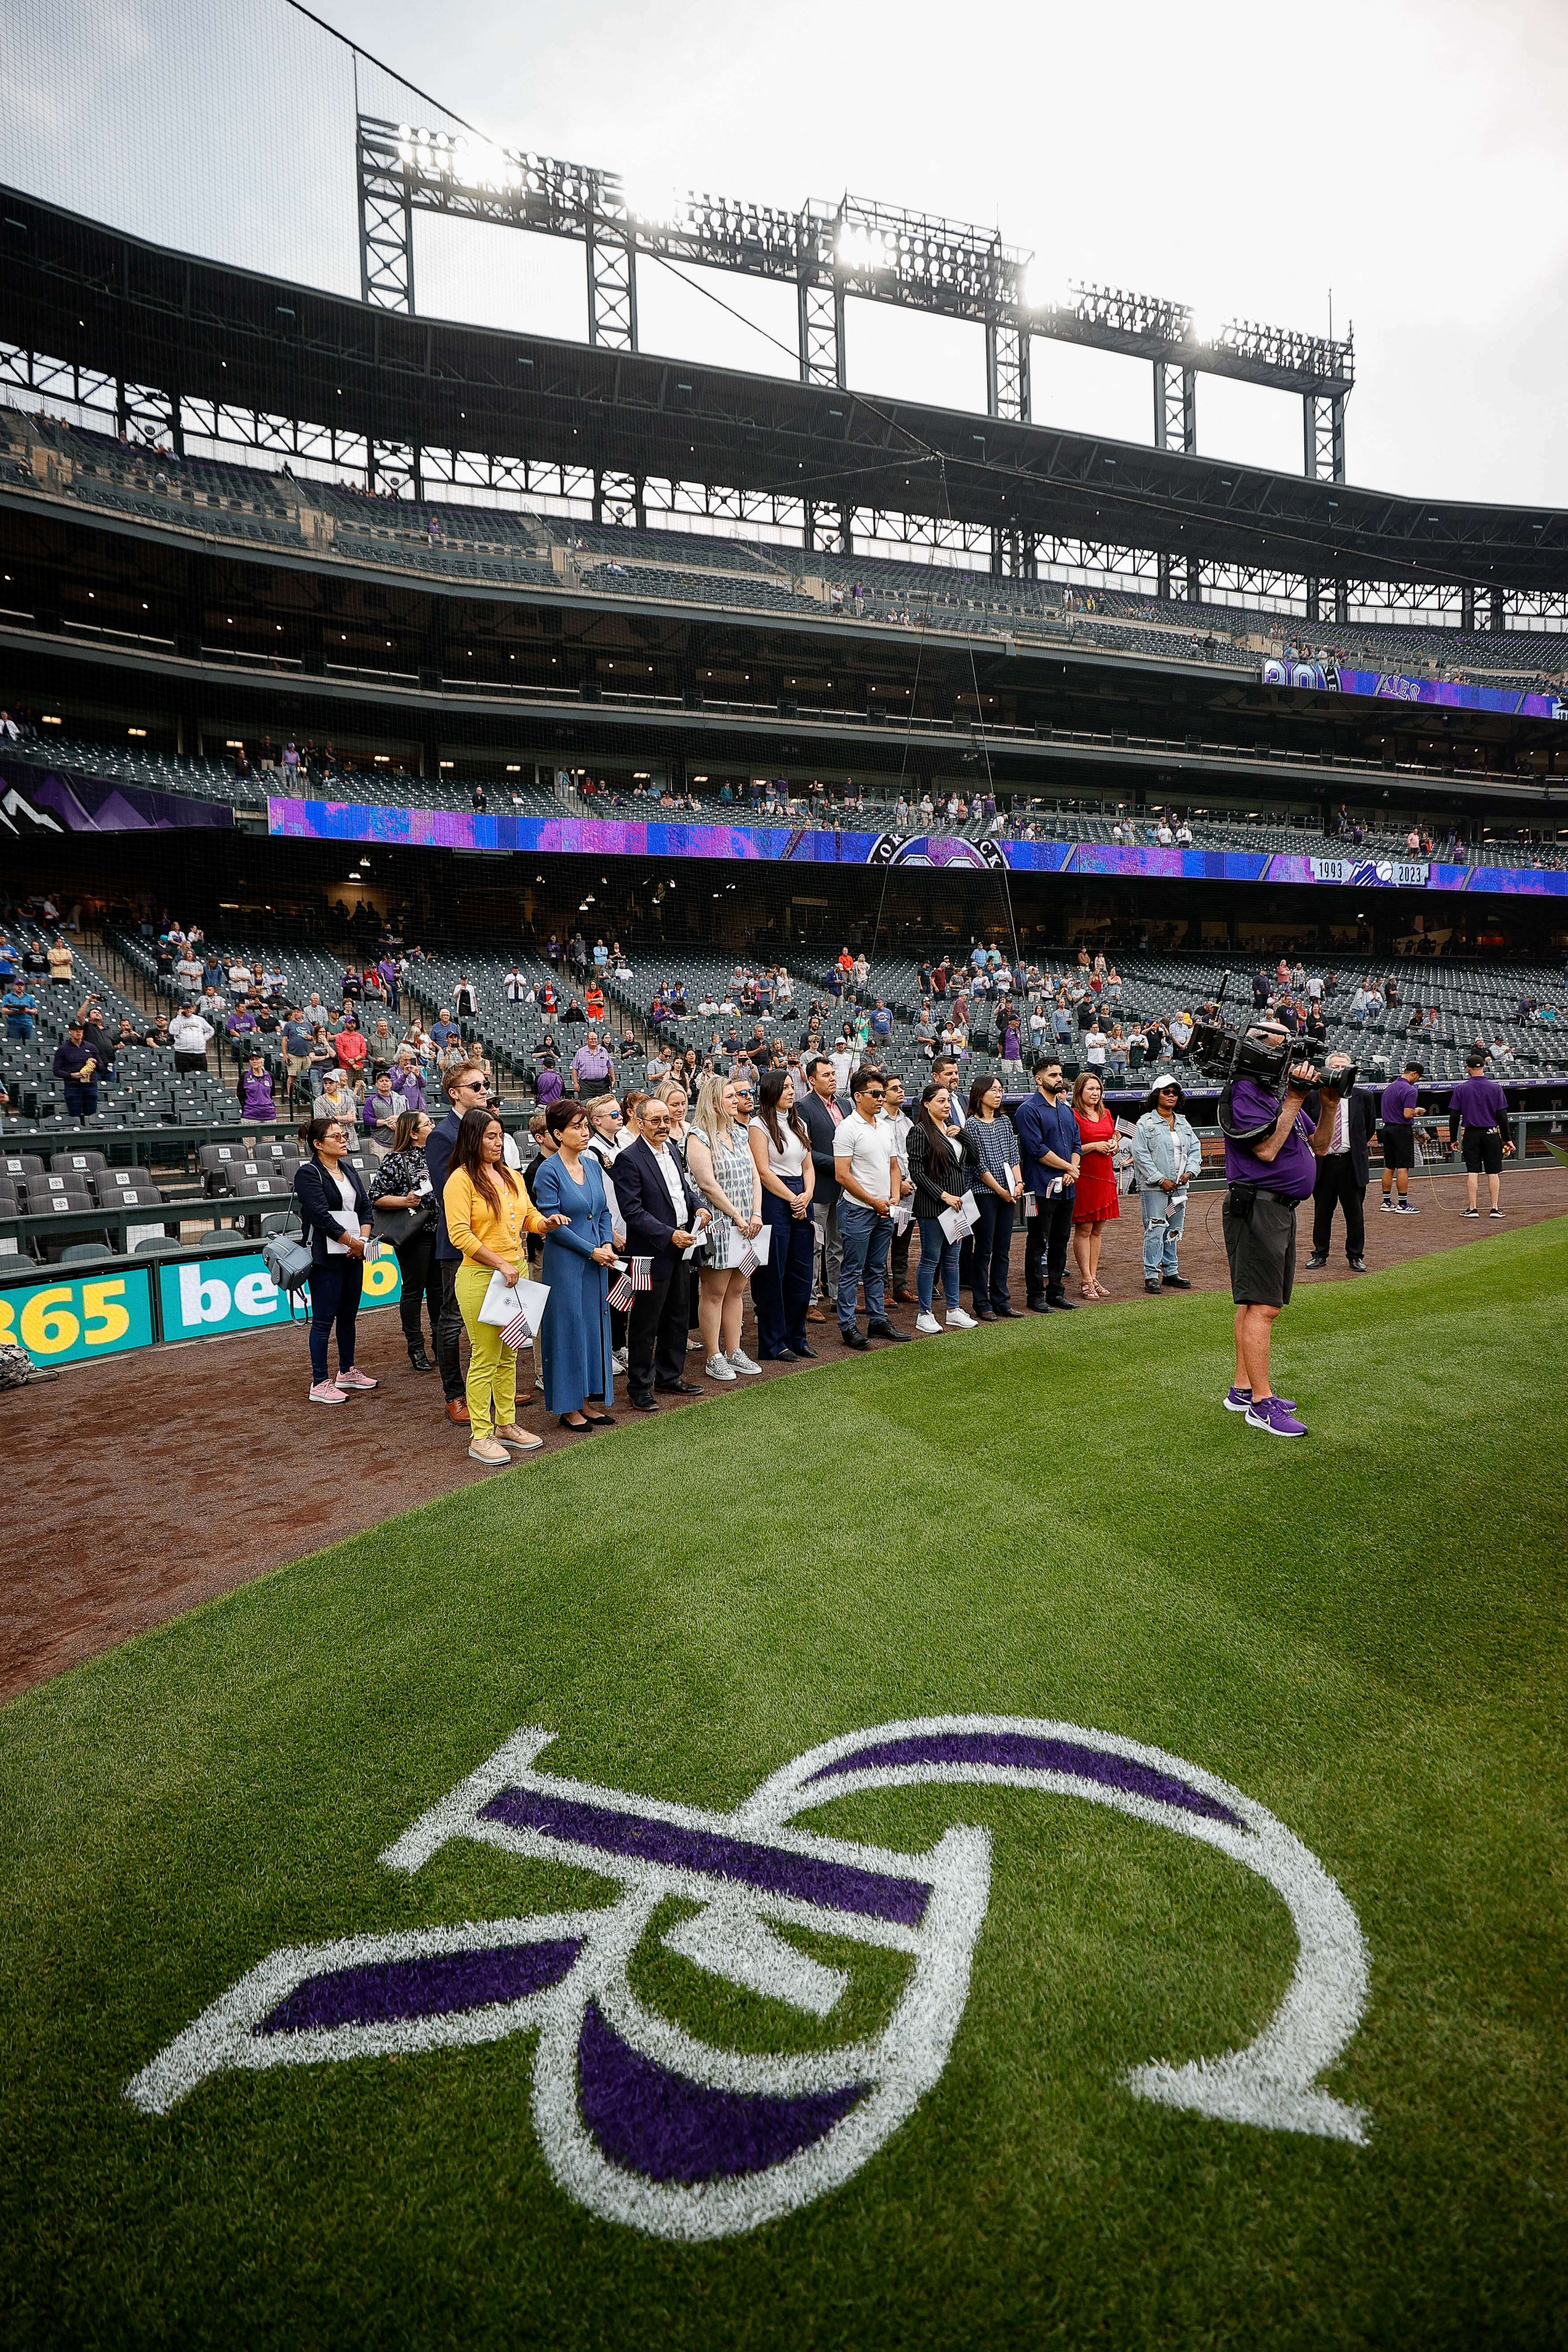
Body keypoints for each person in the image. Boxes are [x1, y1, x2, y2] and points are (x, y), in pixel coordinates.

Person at [1221, 1021, 1346, 1437]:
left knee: (1253, 1301)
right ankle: (1261, 1402)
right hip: (1258, 1206)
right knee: (1263, 1306)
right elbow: (1266, 1149)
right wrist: (1294, 1097)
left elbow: (1322, 1146)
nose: (1291, 1057)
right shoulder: (1244, 1091)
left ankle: (1242, 1388)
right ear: (1259, 1051)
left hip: (1278, 1209)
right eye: (1279, 1046)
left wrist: (1328, 1103)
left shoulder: (1273, 1094)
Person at [442, 1105, 554, 1464]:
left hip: (514, 1272)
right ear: (473, 1138)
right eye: (490, 1136)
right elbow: (460, 1234)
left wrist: (543, 1224)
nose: (498, 1142)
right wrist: (501, 1262)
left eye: (500, 1135)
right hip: (480, 1276)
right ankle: (480, 1435)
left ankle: (506, 1424)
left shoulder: (511, 1176)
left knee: (509, 1355)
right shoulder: (460, 1180)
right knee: (485, 1356)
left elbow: (527, 1215)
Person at [614, 1093, 709, 1409]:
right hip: (651, 1254)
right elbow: (633, 1212)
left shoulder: (671, 1148)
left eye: (667, 1119)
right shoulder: (629, 1158)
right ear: (639, 1123)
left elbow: (682, 1190)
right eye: (655, 1120)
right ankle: (640, 1386)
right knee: (645, 1322)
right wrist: (670, 1235)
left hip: (681, 1247)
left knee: (678, 1315)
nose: (663, 1125)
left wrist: (698, 1208)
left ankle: (670, 1376)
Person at [531, 1099, 618, 1430]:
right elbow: (555, 1225)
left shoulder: (593, 1165)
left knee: (592, 1326)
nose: (585, 1132)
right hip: (567, 1263)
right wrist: (592, 1250)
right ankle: (568, 1407)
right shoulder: (548, 1171)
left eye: (586, 1126)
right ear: (557, 1133)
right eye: (577, 1127)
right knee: (567, 1330)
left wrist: (607, 1242)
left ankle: (585, 1401)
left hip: (596, 1259)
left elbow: (605, 1211)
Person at [424, 1059, 496, 1427]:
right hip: (460, 1241)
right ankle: (455, 1395)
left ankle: (495, 1388)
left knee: (495, 1315)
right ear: (455, 1093)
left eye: (484, 1084)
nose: (484, 1090)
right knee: (452, 1319)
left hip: (495, 1240)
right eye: (476, 1086)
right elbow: (446, 1191)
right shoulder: (442, 1135)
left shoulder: (488, 1128)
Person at [292, 1115, 379, 1406]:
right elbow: (321, 1217)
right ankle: (319, 1381)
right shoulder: (308, 1174)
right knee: (323, 1320)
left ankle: (346, 1370)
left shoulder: (349, 1169)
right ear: (318, 1144)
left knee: (348, 1316)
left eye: (344, 1135)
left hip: (353, 1255)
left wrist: (363, 1242)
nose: (344, 1139)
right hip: (325, 1257)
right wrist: (354, 1243)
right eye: (336, 1136)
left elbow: (366, 1206)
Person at [685, 1073, 764, 1381]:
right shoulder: (698, 1135)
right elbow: (706, 1184)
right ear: (714, 1100)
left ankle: (734, 1350)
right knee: (715, 1291)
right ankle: (713, 1355)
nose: (737, 1100)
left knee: (737, 1290)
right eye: (730, 1096)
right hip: (720, 1224)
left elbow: (755, 1175)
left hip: (748, 1224)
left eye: (737, 1096)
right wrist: (737, 1216)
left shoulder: (741, 1132)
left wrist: (756, 1214)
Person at [833, 1066, 909, 1350]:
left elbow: (894, 1166)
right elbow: (842, 1175)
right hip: (858, 1210)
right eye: (876, 1094)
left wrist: (893, 1198)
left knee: (877, 1268)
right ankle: (848, 1326)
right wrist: (874, 1201)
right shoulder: (847, 1128)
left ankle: (877, 1319)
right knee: (853, 1269)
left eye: (883, 1093)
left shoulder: (886, 1127)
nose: (881, 1098)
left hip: (884, 1209)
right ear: (858, 1096)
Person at [747, 1069, 816, 1360]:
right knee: (773, 1273)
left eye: (792, 1086)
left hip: (802, 1196)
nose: (791, 1091)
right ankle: (774, 1342)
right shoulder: (758, 1124)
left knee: (802, 1273)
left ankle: (796, 1335)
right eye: (785, 1087)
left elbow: (808, 1166)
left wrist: (807, 1195)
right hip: (775, 1199)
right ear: (771, 1091)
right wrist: (793, 1198)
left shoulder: (799, 1122)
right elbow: (762, 1170)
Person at [368, 1108, 443, 1373]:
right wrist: (405, 1201)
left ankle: (440, 1344)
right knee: (414, 1290)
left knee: (439, 1290)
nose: (433, 1126)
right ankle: (416, 1346)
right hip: (414, 1234)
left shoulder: (439, 1156)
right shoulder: (395, 1160)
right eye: (427, 1123)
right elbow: (375, 1196)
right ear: (413, 1133)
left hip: (441, 1231)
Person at [907, 1082, 977, 1333]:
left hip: (957, 1206)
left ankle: (954, 1310)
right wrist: (943, 1195)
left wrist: (964, 1135)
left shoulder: (951, 1130)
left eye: (949, 1101)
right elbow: (917, 1173)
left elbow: (974, 1159)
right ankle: (924, 1313)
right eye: (941, 1101)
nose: (947, 1105)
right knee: (930, 1260)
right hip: (933, 1208)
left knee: (952, 1260)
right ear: (927, 1104)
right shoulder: (919, 1132)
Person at [1014, 1057, 1080, 1314]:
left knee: (1061, 1239)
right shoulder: (1028, 1109)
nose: (1059, 1079)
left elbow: (1076, 1143)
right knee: (1038, 1240)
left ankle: (1056, 1291)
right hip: (1038, 1188)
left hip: (1067, 1186)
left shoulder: (1066, 1109)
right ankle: (1035, 1295)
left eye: (1060, 1074)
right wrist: (1069, 1167)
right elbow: (1036, 1149)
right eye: (1053, 1075)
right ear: (1039, 1079)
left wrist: (1072, 1169)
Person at [1131, 1074, 1203, 1295]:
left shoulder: (1183, 1121)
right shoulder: (1145, 1122)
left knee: (1174, 1230)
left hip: (1180, 1186)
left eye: (1175, 1092)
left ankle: (1171, 1272)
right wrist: (1160, 1179)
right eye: (1166, 1092)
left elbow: (1195, 1149)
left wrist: (1190, 1171)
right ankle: (1151, 1275)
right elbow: (1141, 1155)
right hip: (1155, 1188)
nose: (1171, 1095)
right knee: (1156, 1228)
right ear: (1157, 1095)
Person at [962, 1075, 1024, 1320]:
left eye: (1001, 1090)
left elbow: (1013, 1154)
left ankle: (1001, 1299)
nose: (999, 1095)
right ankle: (982, 1302)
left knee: (1003, 1249)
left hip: (1008, 1192)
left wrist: (1018, 1183)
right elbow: (979, 1166)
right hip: (985, 1194)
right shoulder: (972, 1125)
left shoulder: (1005, 1122)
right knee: (984, 1249)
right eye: (993, 1090)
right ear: (980, 1095)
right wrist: (1001, 1190)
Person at [1307, 1073, 1376, 1274]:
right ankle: (1320, 1254)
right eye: (1335, 1068)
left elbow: (1369, 1129)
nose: (1339, 1072)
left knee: (1355, 1213)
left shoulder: (1363, 1096)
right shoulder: (1313, 1097)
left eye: (1343, 1068)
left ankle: (1355, 1256)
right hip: (1324, 1163)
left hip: (1351, 1162)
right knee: (1322, 1212)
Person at [798, 1053, 848, 1325]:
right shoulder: (803, 1107)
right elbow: (806, 1150)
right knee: (815, 1246)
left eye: (833, 1074)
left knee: (837, 1244)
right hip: (818, 1187)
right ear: (812, 1079)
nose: (832, 1079)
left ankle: (839, 1296)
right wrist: (838, 1164)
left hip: (844, 1187)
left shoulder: (845, 1105)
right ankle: (810, 1299)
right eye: (826, 1075)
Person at [1070, 1071, 1119, 1299]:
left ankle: (1094, 1277)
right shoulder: (1074, 1115)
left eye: (1098, 1089)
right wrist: (1094, 1146)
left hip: (1106, 1175)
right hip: (1085, 1176)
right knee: (1085, 1228)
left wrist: (1113, 1143)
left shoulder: (1107, 1113)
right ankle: (1086, 1280)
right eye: (1090, 1089)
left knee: (1098, 1230)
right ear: (1080, 1091)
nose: (1095, 1093)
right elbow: (1072, 1146)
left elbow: (1112, 1136)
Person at [1448, 1050, 1514, 1218]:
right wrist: (1507, 1139)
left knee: (1473, 1171)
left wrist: (1453, 1139)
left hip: (1471, 1134)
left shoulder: (1462, 1088)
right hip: (1492, 1133)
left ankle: (1473, 1208)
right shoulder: (1496, 1088)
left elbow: (1454, 1116)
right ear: (1484, 1067)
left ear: (1468, 1069)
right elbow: (1502, 1116)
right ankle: (1495, 1208)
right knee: (1493, 1172)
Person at [1378, 1060, 1423, 1214]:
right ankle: (1403, 1203)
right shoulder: (1410, 1090)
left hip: (1387, 1129)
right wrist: (1417, 1111)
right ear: (1414, 1074)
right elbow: (1407, 1114)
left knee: (1389, 1165)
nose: (1418, 1080)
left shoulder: (1389, 1087)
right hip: (1401, 1129)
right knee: (1403, 1166)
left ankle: (1386, 1202)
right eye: (1418, 1077)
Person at [52, 1020, 100, 1118]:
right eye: (75, 1030)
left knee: (92, 1117)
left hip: (90, 1086)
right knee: (75, 1116)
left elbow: (101, 1066)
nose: (78, 1032)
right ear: (70, 1031)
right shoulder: (63, 1049)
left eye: (80, 1030)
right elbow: (56, 1070)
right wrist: (71, 1075)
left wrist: (95, 1062)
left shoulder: (91, 1047)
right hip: (73, 1087)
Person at [169, 1003, 214, 1073]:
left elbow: (211, 1031)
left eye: (190, 1008)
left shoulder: (200, 1019)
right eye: (186, 1008)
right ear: (181, 1010)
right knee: (184, 1077)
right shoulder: (176, 1021)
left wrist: (202, 1039)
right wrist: (179, 1017)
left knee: (202, 1075)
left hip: (199, 1053)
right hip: (182, 1053)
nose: (189, 1010)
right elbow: (173, 1032)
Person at [236, 1050, 277, 1122]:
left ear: (262, 1061)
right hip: (250, 1116)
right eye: (252, 1060)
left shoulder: (270, 1076)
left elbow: (271, 1094)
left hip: (269, 1115)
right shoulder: (245, 1076)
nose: (255, 1061)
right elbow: (240, 1095)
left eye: (257, 1059)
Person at [571, 1028, 613, 1097]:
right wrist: (576, 1083)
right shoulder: (581, 1052)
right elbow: (575, 1069)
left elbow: (610, 1067)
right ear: (587, 1040)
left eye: (595, 1039)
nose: (594, 1040)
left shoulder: (604, 1051)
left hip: (603, 1085)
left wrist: (613, 1080)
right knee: (586, 1105)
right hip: (586, 1086)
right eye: (592, 1039)